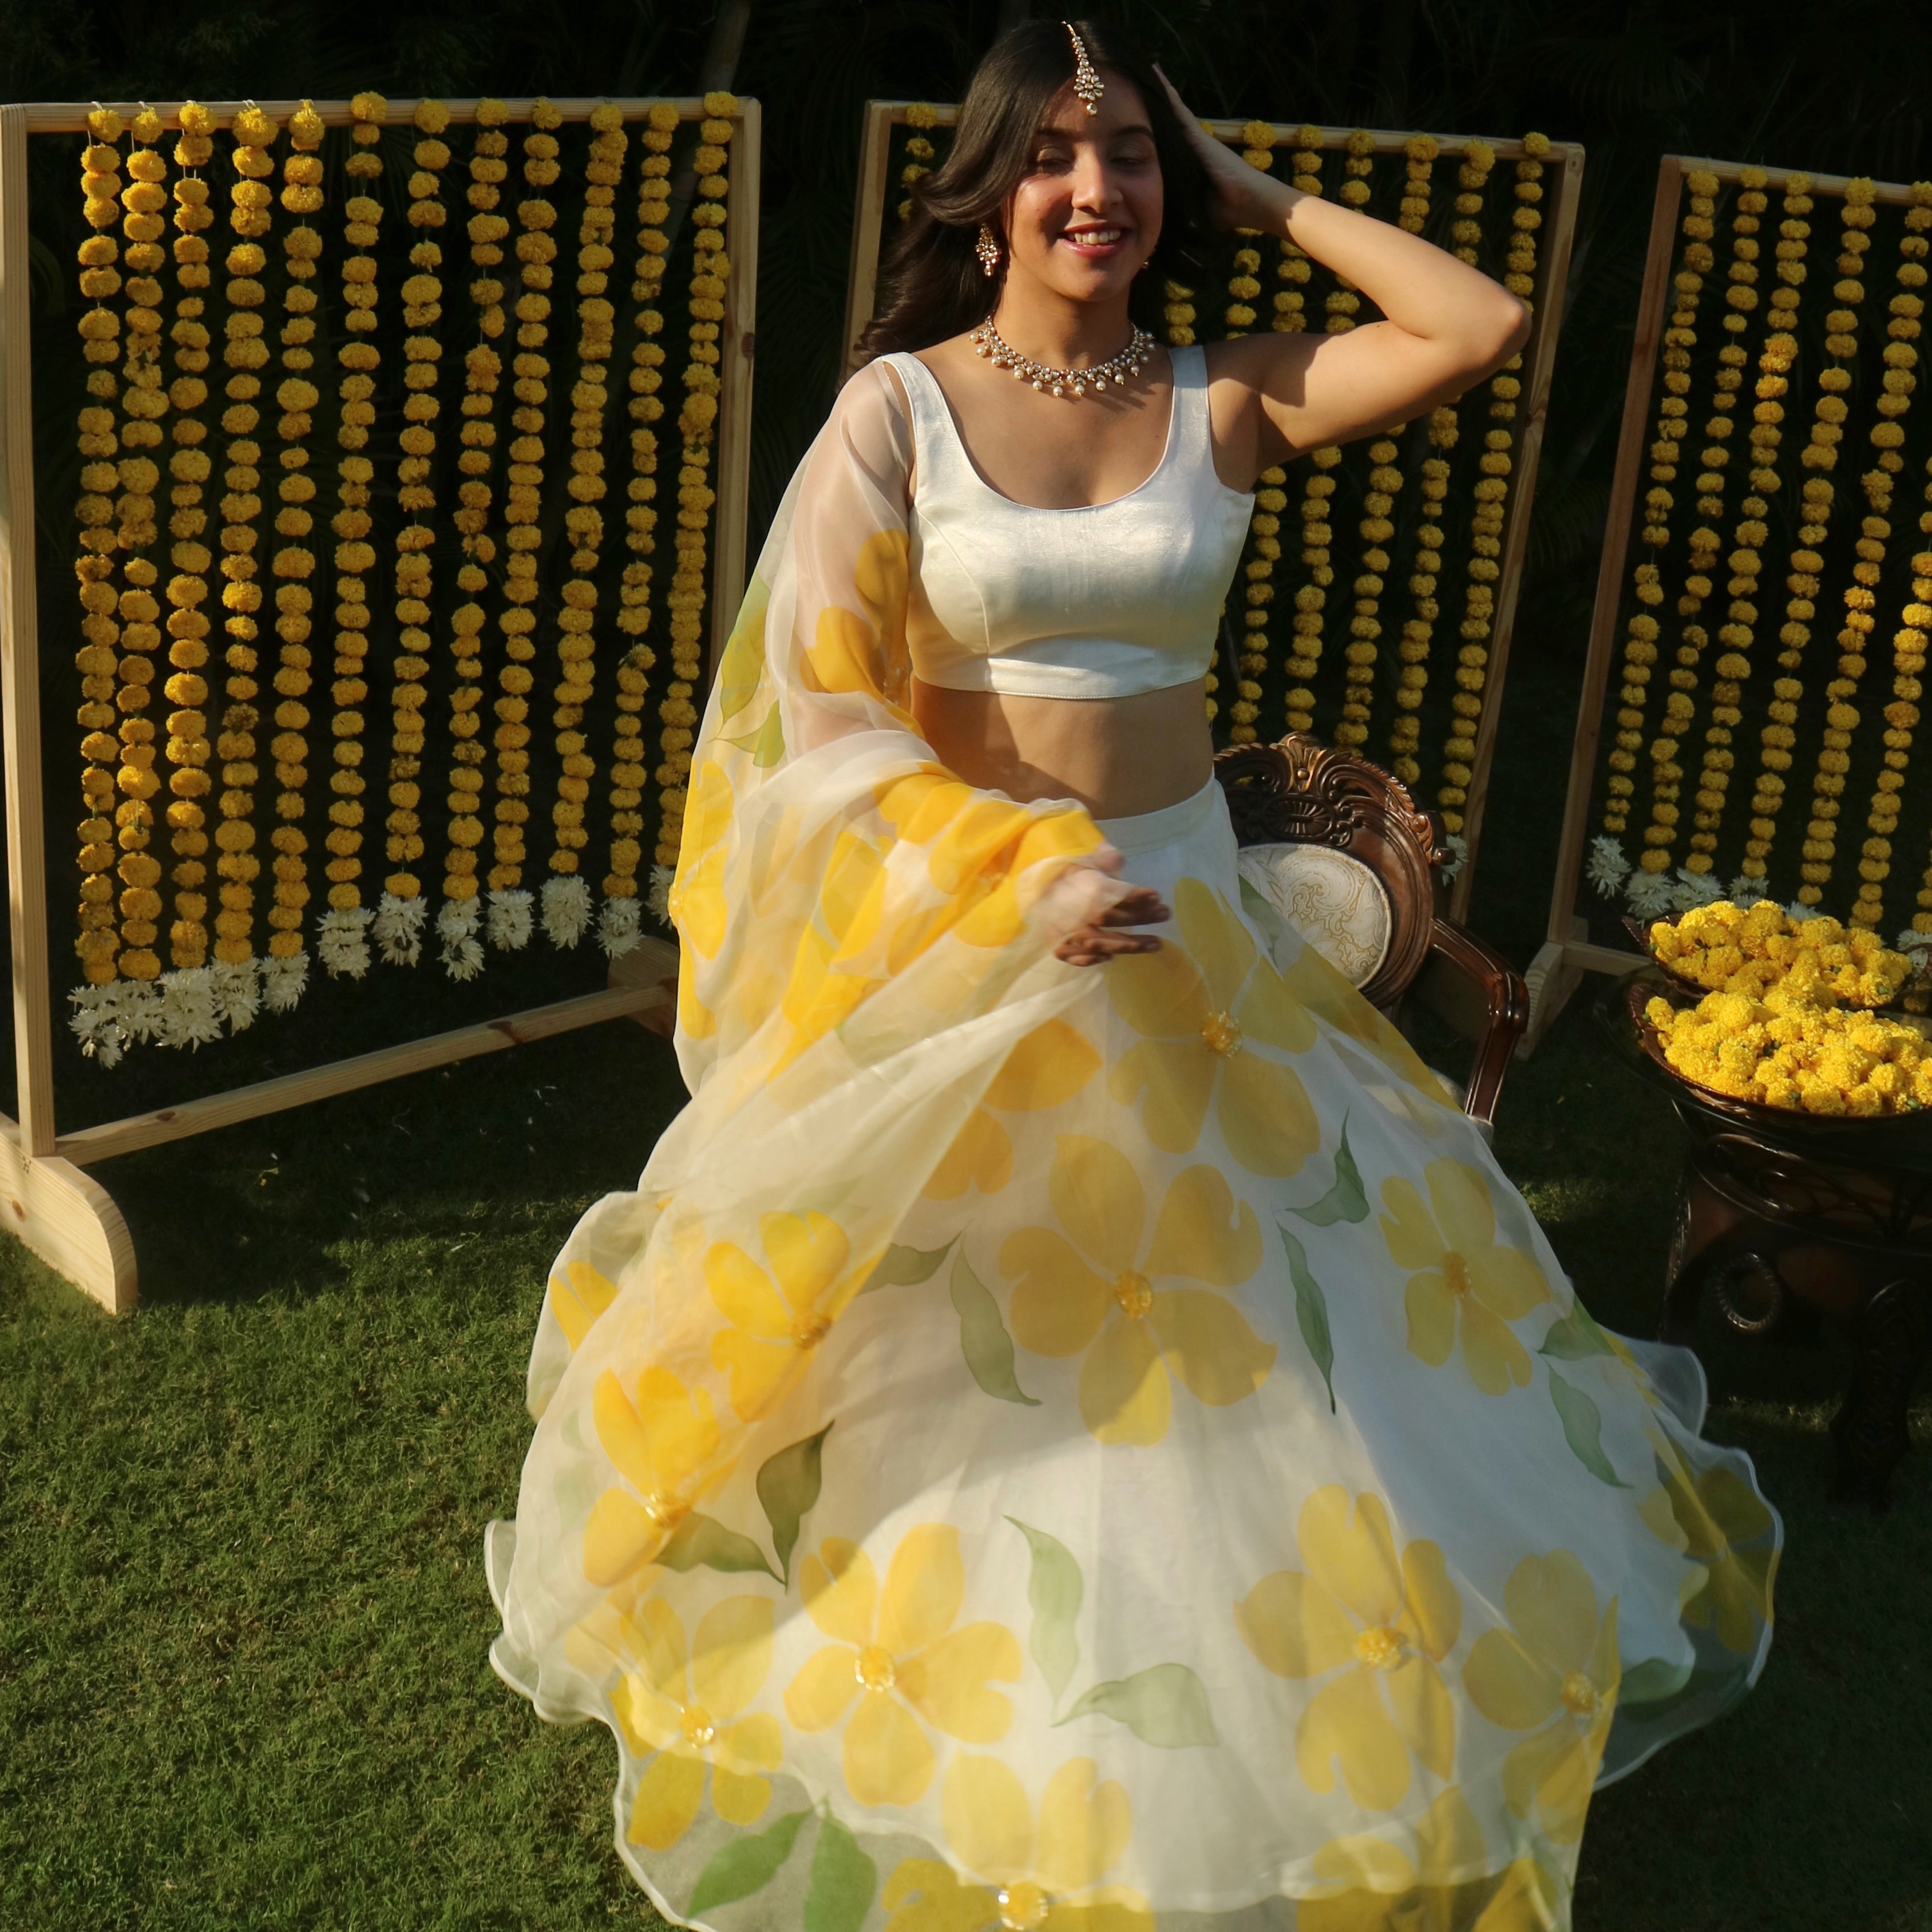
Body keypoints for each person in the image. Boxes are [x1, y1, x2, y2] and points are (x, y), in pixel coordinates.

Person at [488, 22, 1779, 1930]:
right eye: (1058, 155)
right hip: (984, 932)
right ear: (988, 183)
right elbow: (818, 709)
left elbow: (1478, 323)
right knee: (972, 1337)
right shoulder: (897, 413)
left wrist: (1265, 194)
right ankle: (936, 1658)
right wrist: (1009, 866)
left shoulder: (1217, 396)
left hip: (1190, 935)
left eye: (1133, 159)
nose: (1096, 192)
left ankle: (1277, 1677)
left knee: (1252, 1325)